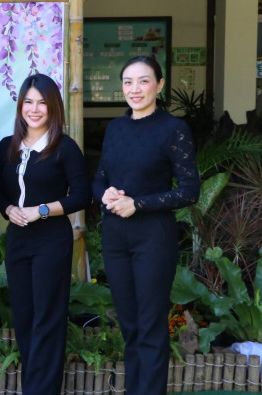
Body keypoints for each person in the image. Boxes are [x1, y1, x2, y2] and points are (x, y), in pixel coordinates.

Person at [93, 56, 199, 395]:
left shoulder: (173, 129)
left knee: (151, 324)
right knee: (129, 324)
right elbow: (99, 178)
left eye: (143, 81)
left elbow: (189, 191)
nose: (134, 89)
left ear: (159, 84)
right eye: (128, 82)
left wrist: (137, 204)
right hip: (115, 237)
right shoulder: (116, 128)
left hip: (153, 237)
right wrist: (105, 193)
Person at [0, 73, 90, 394]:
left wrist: (42, 210)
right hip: (18, 240)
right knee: (24, 316)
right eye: (28, 102)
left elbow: (82, 196)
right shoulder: (7, 146)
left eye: (42, 103)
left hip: (51, 240)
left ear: (53, 107)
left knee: (47, 318)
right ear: (20, 106)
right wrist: (9, 209)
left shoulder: (64, 147)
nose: (34, 109)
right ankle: (33, 386)